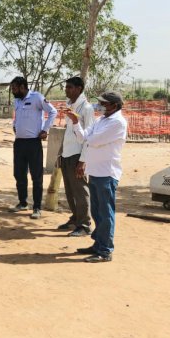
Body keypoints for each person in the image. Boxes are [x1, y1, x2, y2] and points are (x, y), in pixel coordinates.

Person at [65, 91, 127, 263]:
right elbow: (82, 138)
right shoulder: (102, 120)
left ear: (114, 106)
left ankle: (105, 250)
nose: (100, 106)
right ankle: (98, 244)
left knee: (105, 213)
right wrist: (76, 122)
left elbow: (93, 141)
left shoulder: (117, 123)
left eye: (104, 104)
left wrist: (86, 135)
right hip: (95, 171)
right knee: (97, 212)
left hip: (107, 173)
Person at [9, 76, 57, 219]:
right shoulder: (16, 100)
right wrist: (14, 126)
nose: (13, 91)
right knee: (19, 174)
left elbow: (53, 112)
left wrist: (45, 129)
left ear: (23, 86)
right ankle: (22, 202)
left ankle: (37, 207)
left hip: (33, 143)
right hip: (19, 143)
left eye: (15, 88)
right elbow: (17, 117)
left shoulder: (37, 98)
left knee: (36, 176)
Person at [57, 77, 95, 237]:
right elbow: (67, 131)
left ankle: (84, 224)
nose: (67, 90)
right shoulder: (69, 105)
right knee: (70, 191)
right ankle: (75, 218)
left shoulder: (86, 108)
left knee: (80, 191)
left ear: (79, 88)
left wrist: (83, 160)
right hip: (67, 153)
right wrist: (60, 152)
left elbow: (89, 136)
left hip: (78, 155)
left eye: (70, 87)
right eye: (66, 87)